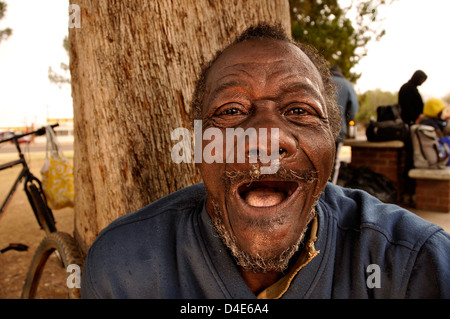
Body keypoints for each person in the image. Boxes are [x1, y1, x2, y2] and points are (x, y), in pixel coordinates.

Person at [81, 23, 450, 299]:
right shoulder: (124, 268)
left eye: (299, 110)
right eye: (231, 110)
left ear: (331, 141)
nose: (265, 138)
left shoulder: (413, 265)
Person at [329, 65, 359, 184]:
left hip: (315, 129)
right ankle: (329, 192)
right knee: (334, 163)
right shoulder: (347, 85)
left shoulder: (319, 81)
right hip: (337, 129)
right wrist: (345, 121)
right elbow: (353, 109)